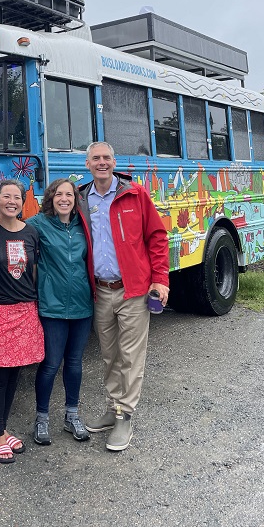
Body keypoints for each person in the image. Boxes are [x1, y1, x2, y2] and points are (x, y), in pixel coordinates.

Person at [78, 141, 169, 451]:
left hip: (133, 290)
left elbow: (156, 237)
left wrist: (161, 280)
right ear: (87, 164)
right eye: (96, 158)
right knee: (110, 355)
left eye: (106, 157)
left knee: (130, 356)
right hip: (101, 292)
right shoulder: (80, 199)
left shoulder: (135, 194)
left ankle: (125, 416)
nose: (101, 162)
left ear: (114, 162)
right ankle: (113, 407)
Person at [0, 179, 44, 463]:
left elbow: (36, 270)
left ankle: (2, 431)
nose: (12, 201)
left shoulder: (31, 233)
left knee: (16, 373)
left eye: (17, 197)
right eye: (6, 197)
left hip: (25, 310)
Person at [26, 178, 95, 446]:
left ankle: (72, 415)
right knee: (51, 364)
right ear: (51, 198)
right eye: (59, 194)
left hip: (82, 304)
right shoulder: (38, 224)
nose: (64, 199)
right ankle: (41, 418)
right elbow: (12, 229)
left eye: (69, 194)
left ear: (76, 199)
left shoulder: (83, 227)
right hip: (52, 306)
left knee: (75, 363)